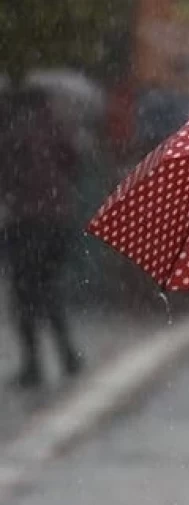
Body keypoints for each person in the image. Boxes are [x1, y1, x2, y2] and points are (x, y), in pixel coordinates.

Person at [0, 86, 84, 388]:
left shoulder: (13, 133)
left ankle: (33, 363)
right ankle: (67, 354)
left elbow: (7, 176)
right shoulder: (57, 127)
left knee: (24, 294)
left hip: (26, 221)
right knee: (49, 288)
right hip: (58, 219)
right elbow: (74, 163)